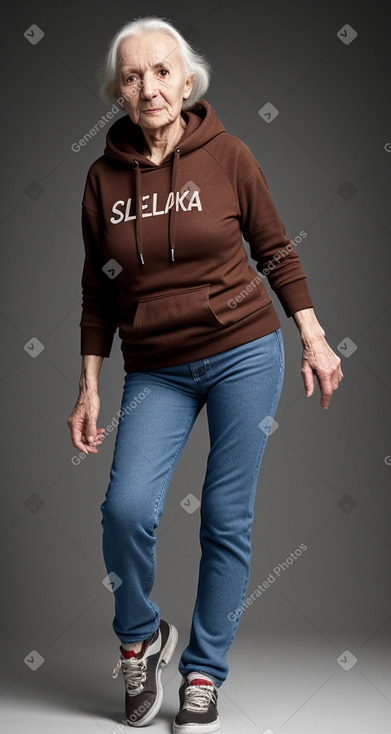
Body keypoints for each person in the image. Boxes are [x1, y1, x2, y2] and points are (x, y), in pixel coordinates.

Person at [67, 15, 343, 733]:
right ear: (118, 91)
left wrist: (312, 338)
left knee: (225, 518)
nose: (148, 86)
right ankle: (140, 637)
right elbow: (97, 292)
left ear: (186, 83)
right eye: (132, 76)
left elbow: (276, 251)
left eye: (161, 72)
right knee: (126, 510)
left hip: (244, 352)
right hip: (156, 367)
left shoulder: (230, 157)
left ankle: (202, 672)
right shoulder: (102, 181)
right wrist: (90, 385)